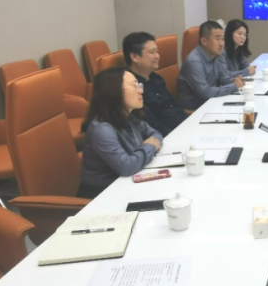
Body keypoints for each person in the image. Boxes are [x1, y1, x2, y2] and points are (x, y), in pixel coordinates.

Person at [78, 67, 162, 198]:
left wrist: (142, 152)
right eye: (134, 86)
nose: (141, 91)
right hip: (102, 195)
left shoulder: (130, 116)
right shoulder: (102, 129)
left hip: (127, 183)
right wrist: (149, 147)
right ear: (114, 92)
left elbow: (156, 135)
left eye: (139, 85)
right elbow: (126, 166)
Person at [123, 31, 186, 138]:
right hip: (167, 136)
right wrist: (178, 136)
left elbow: (174, 105)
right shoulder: (131, 87)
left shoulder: (157, 78)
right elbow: (149, 124)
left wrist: (190, 122)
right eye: (152, 52)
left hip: (183, 127)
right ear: (134, 57)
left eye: (157, 51)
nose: (157, 56)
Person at [177, 20, 245, 110]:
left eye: (223, 39)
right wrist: (233, 86)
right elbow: (205, 93)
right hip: (194, 110)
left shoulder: (214, 54)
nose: (221, 43)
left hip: (210, 102)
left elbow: (222, 77)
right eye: (217, 39)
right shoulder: (194, 62)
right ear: (204, 41)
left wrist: (235, 81)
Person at [218, 19, 256, 84]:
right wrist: (247, 71)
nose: (243, 37)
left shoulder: (238, 49)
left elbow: (244, 65)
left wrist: (250, 68)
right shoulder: (222, 51)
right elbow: (225, 75)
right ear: (230, 33)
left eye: (245, 35)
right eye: (240, 33)